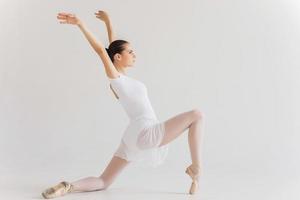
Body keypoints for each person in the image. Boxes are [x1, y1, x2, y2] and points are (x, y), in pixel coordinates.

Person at [41, 10, 204, 199]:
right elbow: (103, 51)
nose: (134, 55)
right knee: (197, 115)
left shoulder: (121, 80)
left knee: (104, 181)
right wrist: (80, 24)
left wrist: (109, 23)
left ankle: (68, 186)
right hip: (145, 131)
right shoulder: (118, 80)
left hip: (131, 138)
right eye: (130, 52)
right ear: (118, 57)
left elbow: (111, 49)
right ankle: (196, 168)